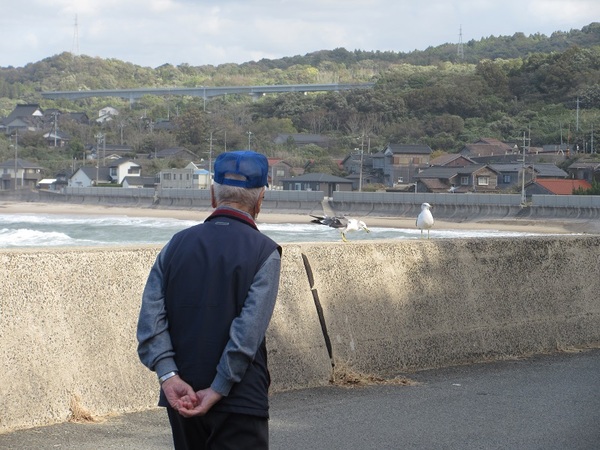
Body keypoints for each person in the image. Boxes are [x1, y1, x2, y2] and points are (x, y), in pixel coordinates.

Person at [137, 150, 282, 450]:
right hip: (240, 399)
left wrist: (169, 376)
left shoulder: (175, 244)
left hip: (182, 396)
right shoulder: (264, 251)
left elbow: (151, 318)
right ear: (260, 199)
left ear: (213, 195)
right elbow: (248, 332)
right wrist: (219, 387)